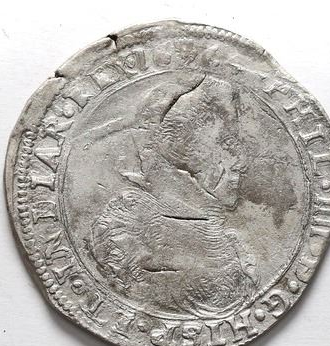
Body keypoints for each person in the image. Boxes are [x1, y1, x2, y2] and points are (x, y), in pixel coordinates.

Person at [86, 74, 257, 316]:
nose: (241, 161)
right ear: (185, 155)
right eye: (227, 144)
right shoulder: (128, 230)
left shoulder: (230, 245)